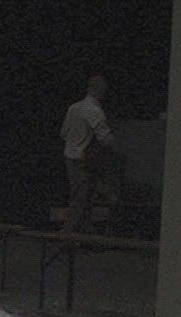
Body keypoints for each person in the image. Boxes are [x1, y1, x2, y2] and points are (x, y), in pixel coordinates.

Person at [60, 75, 118, 234]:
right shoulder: (94, 111)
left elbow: (63, 133)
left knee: (82, 195)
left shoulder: (73, 108)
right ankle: (69, 232)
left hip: (70, 157)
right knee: (82, 197)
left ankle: (82, 230)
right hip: (84, 159)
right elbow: (105, 138)